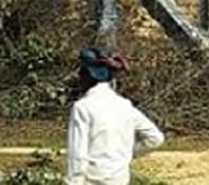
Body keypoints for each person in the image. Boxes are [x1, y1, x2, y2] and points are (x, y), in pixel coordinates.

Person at [66, 47, 164, 185]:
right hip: (119, 179)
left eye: (81, 74)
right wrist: (126, 154)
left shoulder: (82, 107)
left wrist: (73, 182)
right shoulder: (125, 106)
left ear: (88, 75)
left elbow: (78, 155)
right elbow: (155, 138)